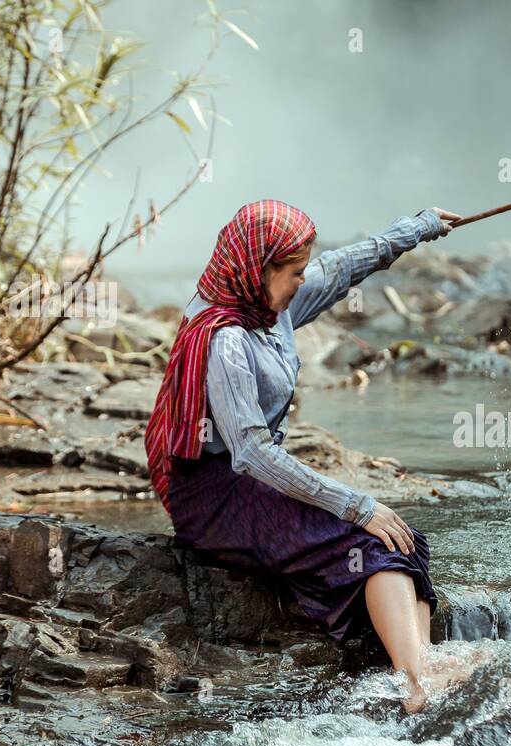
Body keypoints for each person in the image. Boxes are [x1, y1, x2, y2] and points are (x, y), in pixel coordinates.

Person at [146, 199, 465, 713]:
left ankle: (418, 668)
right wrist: (357, 504)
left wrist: (421, 228)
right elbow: (251, 451)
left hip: (247, 475)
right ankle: (418, 681)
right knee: (371, 532)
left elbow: (342, 268)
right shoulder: (225, 339)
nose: (302, 280)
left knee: (400, 539)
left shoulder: (268, 301)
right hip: (214, 494)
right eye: (293, 272)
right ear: (259, 269)